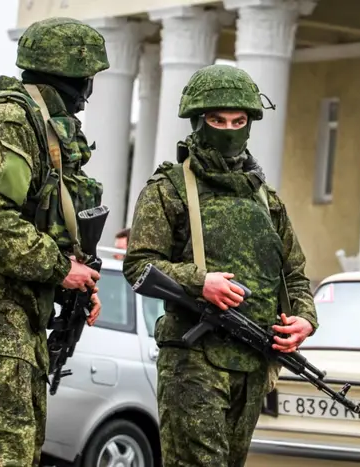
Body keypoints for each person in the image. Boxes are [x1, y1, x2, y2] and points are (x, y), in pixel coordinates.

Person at [0, 17, 110, 467]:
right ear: (77, 76)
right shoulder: (7, 122)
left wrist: (78, 275)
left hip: (23, 306)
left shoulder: (42, 126)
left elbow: (43, 213)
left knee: (23, 445)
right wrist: (59, 268)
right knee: (4, 445)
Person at [122, 64, 319, 467]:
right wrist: (200, 282)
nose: (228, 129)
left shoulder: (265, 198)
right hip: (194, 360)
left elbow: (295, 272)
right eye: (216, 120)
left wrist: (304, 319)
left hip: (251, 363)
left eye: (238, 120)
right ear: (198, 122)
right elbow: (140, 265)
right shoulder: (169, 190)